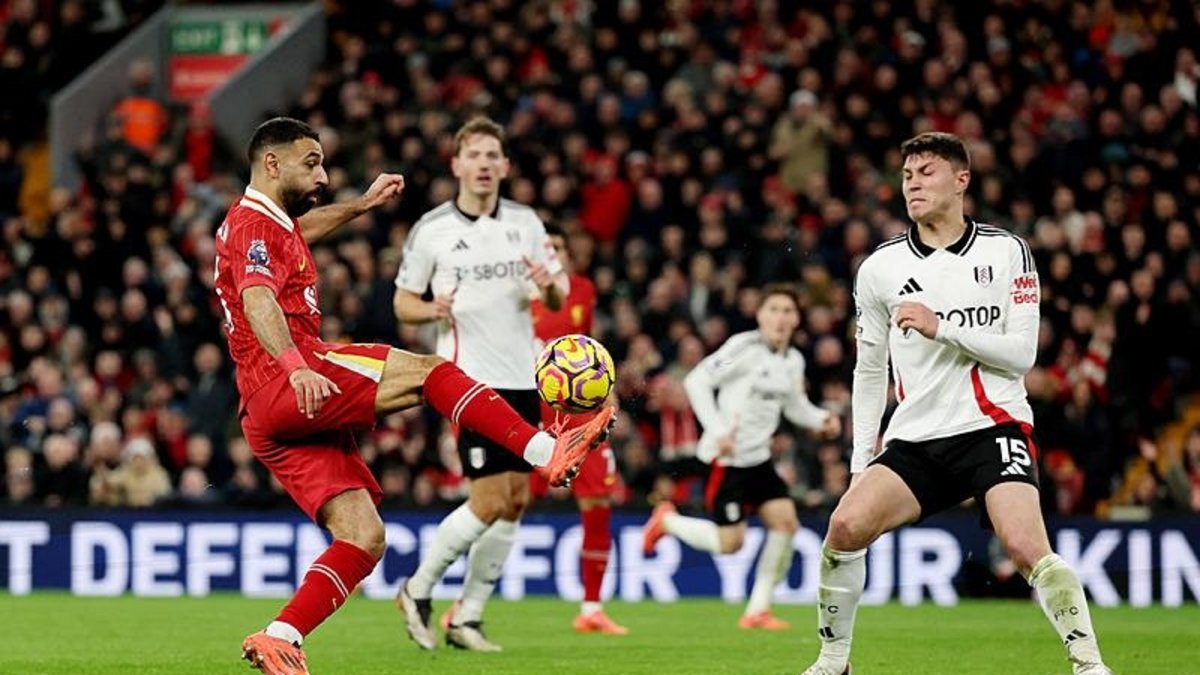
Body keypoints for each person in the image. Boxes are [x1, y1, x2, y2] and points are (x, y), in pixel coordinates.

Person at [218, 117, 613, 675]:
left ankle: (281, 636)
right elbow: (258, 299)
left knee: (363, 537)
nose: (323, 176)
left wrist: (362, 206)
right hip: (292, 373)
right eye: (312, 163)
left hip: (264, 413)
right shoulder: (253, 227)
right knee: (430, 372)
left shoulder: (265, 225)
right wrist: (294, 368)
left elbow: (301, 234)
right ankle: (548, 452)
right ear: (272, 163)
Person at [802, 132, 1111, 675]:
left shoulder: (1006, 250)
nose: (913, 183)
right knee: (844, 529)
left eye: (926, 172)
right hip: (917, 438)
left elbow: (1021, 355)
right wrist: (859, 464)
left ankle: (1088, 663)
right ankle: (833, 662)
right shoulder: (880, 269)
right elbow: (869, 370)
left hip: (993, 427)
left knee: (1023, 546)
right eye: (906, 175)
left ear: (961, 179)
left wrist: (940, 327)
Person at [393, 117, 611, 652]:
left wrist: (546, 288)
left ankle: (467, 617)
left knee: (515, 499)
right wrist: (429, 309)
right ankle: (416, 589)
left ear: (506, 167)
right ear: (457, 164)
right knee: (489, 499)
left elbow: (559, 297)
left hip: (524, 378)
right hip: (467, 381)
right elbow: (402, 304)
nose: (485, 164)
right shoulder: (432, 230)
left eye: (494, 155)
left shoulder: (527, 224)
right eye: (475, 155)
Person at [642, 284, 840, 630]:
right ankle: (666, 521)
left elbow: (794, 406)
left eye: (787, 311)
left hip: (758, 459)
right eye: (773, 309)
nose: (780, 318)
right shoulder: (741, 348)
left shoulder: (792, 361)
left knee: (786, 523)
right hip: (727, 461)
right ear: (760, 314)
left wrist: (820, 419)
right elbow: (697, 380)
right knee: (731, 544)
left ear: (796, 318)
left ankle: (757, 610)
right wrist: (717, 430)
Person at [529, 225, 629, 634]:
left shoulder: (583, 289)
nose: (552, 252)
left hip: (582, 416)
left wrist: (607, 395)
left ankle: (591, 609)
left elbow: (590, 351)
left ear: (568, 255)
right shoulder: (517, 293)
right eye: (545, 247)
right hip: (530, 412)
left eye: (558, 247)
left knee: (596, 505)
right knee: (503, 505)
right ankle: (465, 604)